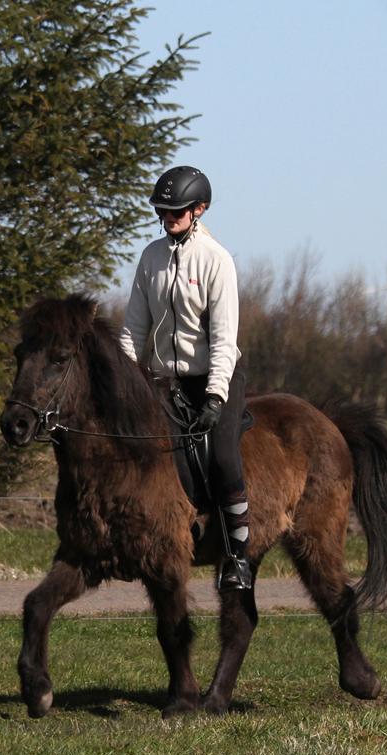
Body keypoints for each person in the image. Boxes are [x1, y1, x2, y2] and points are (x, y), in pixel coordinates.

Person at [118, 165, 252, 592]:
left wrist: (215, 395)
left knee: (223, 460)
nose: (169, 217)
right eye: (164, 211)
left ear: (199, 210)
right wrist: (122, 382)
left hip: (215, 375)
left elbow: (224, 338)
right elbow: (133, 329)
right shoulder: (151, 257)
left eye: (177, 211)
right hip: (164, 381)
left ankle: (237, 558)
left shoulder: (217, 261)